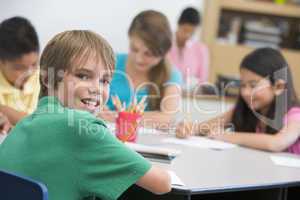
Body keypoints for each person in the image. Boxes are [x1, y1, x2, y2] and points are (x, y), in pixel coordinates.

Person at [0, 30, 171, 200]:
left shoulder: (21, 127)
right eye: (83, 75)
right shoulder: (83, 127)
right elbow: (162, 183)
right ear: (47, 79)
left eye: (105, 81)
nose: (97, 88)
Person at [176, 48, 300, 154]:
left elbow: (276, 143)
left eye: (253, 85)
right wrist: (189, 129)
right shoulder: (245, 108)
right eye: (243, 85)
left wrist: (227, 136)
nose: (245, 92)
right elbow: (205, 127)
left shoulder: (295, 115)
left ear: (278, 87)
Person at [104, 10, 183, 129]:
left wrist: (117, 116)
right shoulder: (109, 62)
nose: (139, 59)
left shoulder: (171, 75)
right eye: (134, 49)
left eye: (148, 54)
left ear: (163, 54)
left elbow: (166, 118)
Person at [0, 16, 40, 125]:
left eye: (34, 64)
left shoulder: (41, 78)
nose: (29, 73)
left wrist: (5, 111)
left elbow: (43, 125)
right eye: (20, 68)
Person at [167, 7, 209, 85]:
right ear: (178, 24)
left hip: (190, 94)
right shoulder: (165, 45)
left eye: (192, 32)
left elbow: (203, 80)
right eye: (185, 30)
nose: (188, 35)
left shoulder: (201, 49)